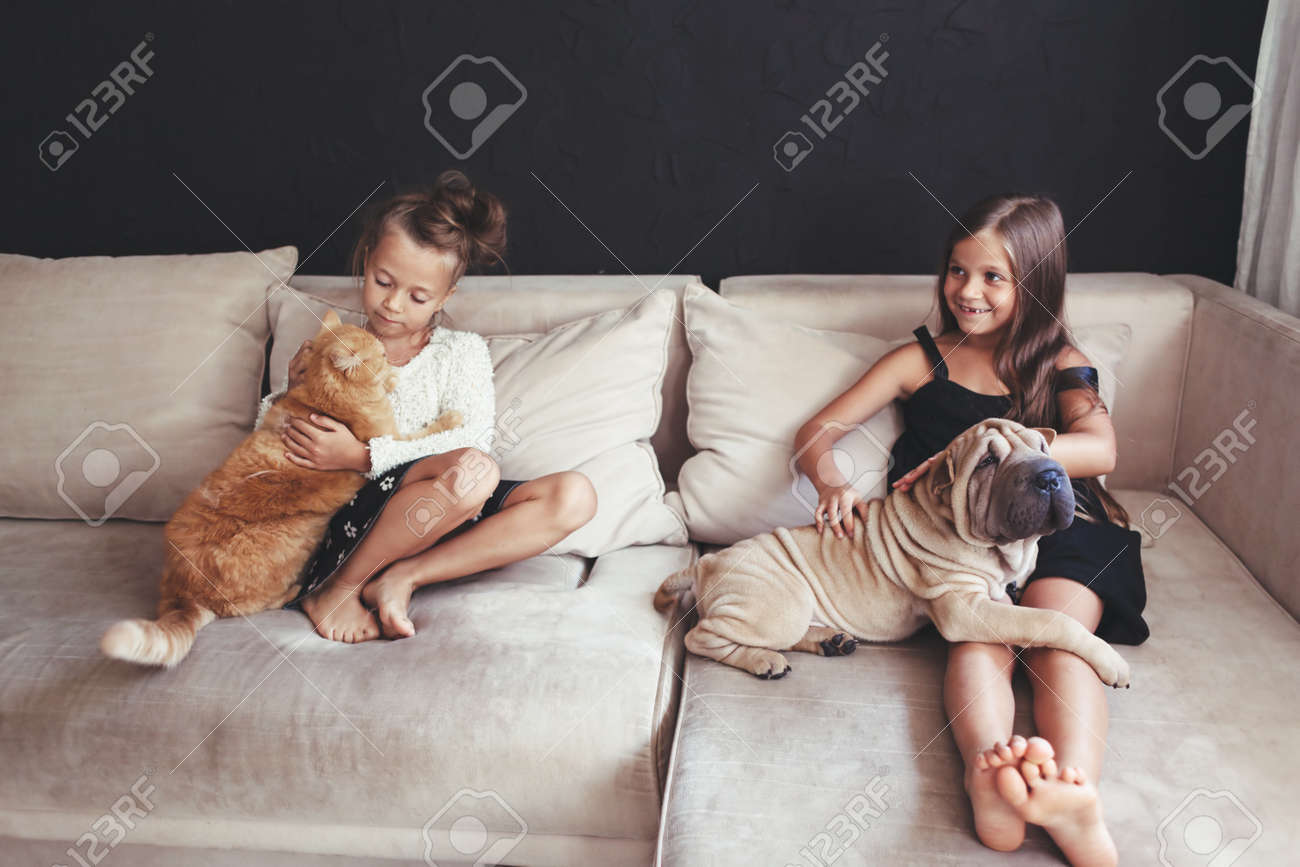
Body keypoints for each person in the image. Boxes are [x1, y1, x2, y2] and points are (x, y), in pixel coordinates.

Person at [792, 194, 1147, 866]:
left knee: (1059, 639)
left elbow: (1099, 449)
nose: (968, 291)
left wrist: (1006, 444)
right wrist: (830, 478)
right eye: (958, 271)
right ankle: (990, 772)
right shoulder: (920, 360)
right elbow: (819, 430)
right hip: (960, 547)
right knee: (977, 637)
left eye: (993, 277)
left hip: (1059, 531)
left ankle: (1072, 791)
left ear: (1034, 284)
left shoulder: (1059, 360)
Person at [256, 170, 597, 643]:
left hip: (447, 508)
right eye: (382, 281)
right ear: (366, 260)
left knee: (571, 494)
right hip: (357, 517)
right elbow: (271, 448)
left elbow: (471, 443)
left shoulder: (461, 351)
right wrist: (287, 399)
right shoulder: (337, 343)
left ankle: (402, 577)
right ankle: (340, 584)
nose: (393, 304)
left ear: (445, 297)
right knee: (472, 475)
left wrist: (363, 455)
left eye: (418, 296)